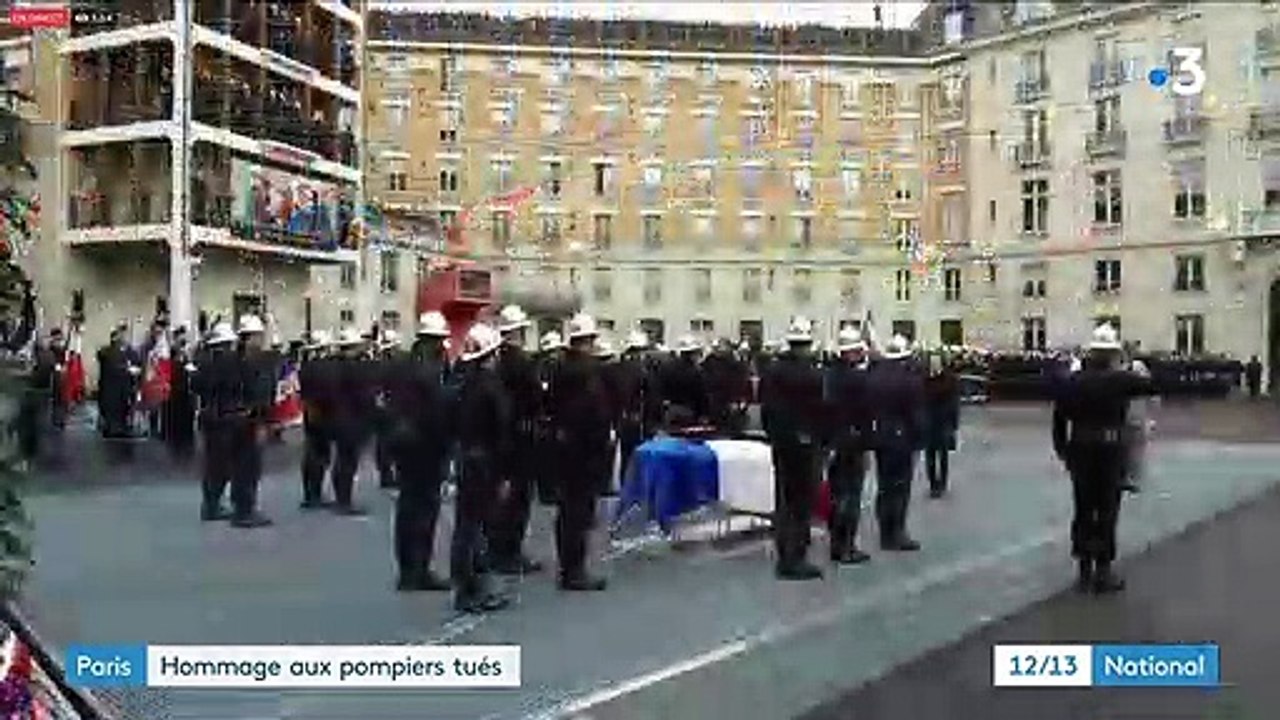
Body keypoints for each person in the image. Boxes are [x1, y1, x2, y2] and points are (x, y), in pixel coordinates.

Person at [1052, 324, 1155, 594]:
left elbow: (1059, 420)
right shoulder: (1120, 380)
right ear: (1112, 355)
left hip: (1081, 448)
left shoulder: (1071, 382)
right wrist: (1134, 360)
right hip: (1110, 449)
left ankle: (1084, 570)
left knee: (1083, 508)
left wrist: (1064, 451)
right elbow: (1151, 385)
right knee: (1107, 509)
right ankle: (1103, 570)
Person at [387, 313, 454, 592]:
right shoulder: (432, 369)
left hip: (403, 442)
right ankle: (419, 569)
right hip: (426, 444)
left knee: (407, 507)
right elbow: (440, 409)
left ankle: (407, 569)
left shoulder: (404, 363)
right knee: (425, 509)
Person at [547, 313, 611, 591]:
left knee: (566, 512)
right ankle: (574, 571)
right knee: (579, 513)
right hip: (584, 451)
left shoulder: (560, 368)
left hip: (563, 449)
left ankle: (567, 566)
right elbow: (595, 414)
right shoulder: (587, 374)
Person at [452, 321, 512, 612]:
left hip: (466, 457)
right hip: (485, 462)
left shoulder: (461, 381)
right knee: (475, 528)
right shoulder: (490, 386)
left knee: (465, 526)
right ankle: (472, 589)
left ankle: (466, 586)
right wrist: (504, 472)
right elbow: (501, 429)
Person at [760, 316, 826, 580]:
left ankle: (785, 552)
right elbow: (821, 409)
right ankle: (795, 556)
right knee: (801, 503)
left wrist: (776, 436)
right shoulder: (811, 373)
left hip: (782, 444)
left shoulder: (773, 370)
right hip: (805, 444)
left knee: (783, 500)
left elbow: (768, 410)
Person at [491, 305, 545, 575]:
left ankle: (497, 549)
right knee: (518, 499)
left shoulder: (496, 360)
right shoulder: (522, 363)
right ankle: (509, 552)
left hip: (501, 437)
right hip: (521, 437)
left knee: (502, 497)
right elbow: (535, 399)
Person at [868, 334, 925, 552]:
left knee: (884, 486)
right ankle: (897, 532)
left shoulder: (873, 376)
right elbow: (916, 412)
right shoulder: (909, 379)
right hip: (902, 438)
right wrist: (919, 438)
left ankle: (885, 531)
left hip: (880, 435)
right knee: (900, 487)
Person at [823, 326, 873, 565]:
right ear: (851, 353)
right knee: (850, 497)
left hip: (833, 440)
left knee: (836, 495)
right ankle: (846, 546)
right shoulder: (855, 378)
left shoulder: (828, 374)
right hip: (852, 442)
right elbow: (866, 411)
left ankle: (836, 544)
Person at [228, 315, 275, 528]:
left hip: (240, 418)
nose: (260, 339)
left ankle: (242, 506)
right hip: (250, 419)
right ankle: (245, 510)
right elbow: (259, 392)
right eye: (258, 335)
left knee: (242, 466)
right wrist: (262, 419)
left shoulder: (237, 359)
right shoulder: (251, 361)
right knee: (248, 466)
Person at [193, 322, 239, 521]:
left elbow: (195, 386)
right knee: (223, 463)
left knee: (212, 462)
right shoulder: (230, 362)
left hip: (208, 415)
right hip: (225, 415)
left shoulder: (202, 361)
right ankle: (214, 505)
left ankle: (210, 502)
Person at [330, 328, 377, 515]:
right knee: (348, 461)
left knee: (342, 459)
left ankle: (341, 497)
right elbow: (363, 395)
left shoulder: (334, 365)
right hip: (352, 418)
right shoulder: (355, 368)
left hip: (339, 416)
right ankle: (344, 500)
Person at [299, 330, 338, 508]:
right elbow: (330, 391)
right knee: (319, 455)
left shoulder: (306, 366)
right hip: (323, 413)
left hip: (310, 411)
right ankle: (314, 494)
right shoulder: (326, 367)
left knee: (312, 453)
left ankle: (310, 493)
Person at [923, 352, 961, 498]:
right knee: (930, 455)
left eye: (937, 362)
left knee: (943, 455)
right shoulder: (924, 379)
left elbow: (954, 403)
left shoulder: (950, 379)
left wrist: (954, 424)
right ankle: (933, 484)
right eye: (932, 362)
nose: (935, 365)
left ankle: (943, 483)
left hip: (944, 422)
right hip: (929, 422)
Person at [373, 329, 403, 489]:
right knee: (390, 441)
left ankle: (386, 474)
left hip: (383, 405)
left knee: (383, 442)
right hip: (391, 405)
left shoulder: (377, 362)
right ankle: (389, 474)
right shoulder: (393, 363)